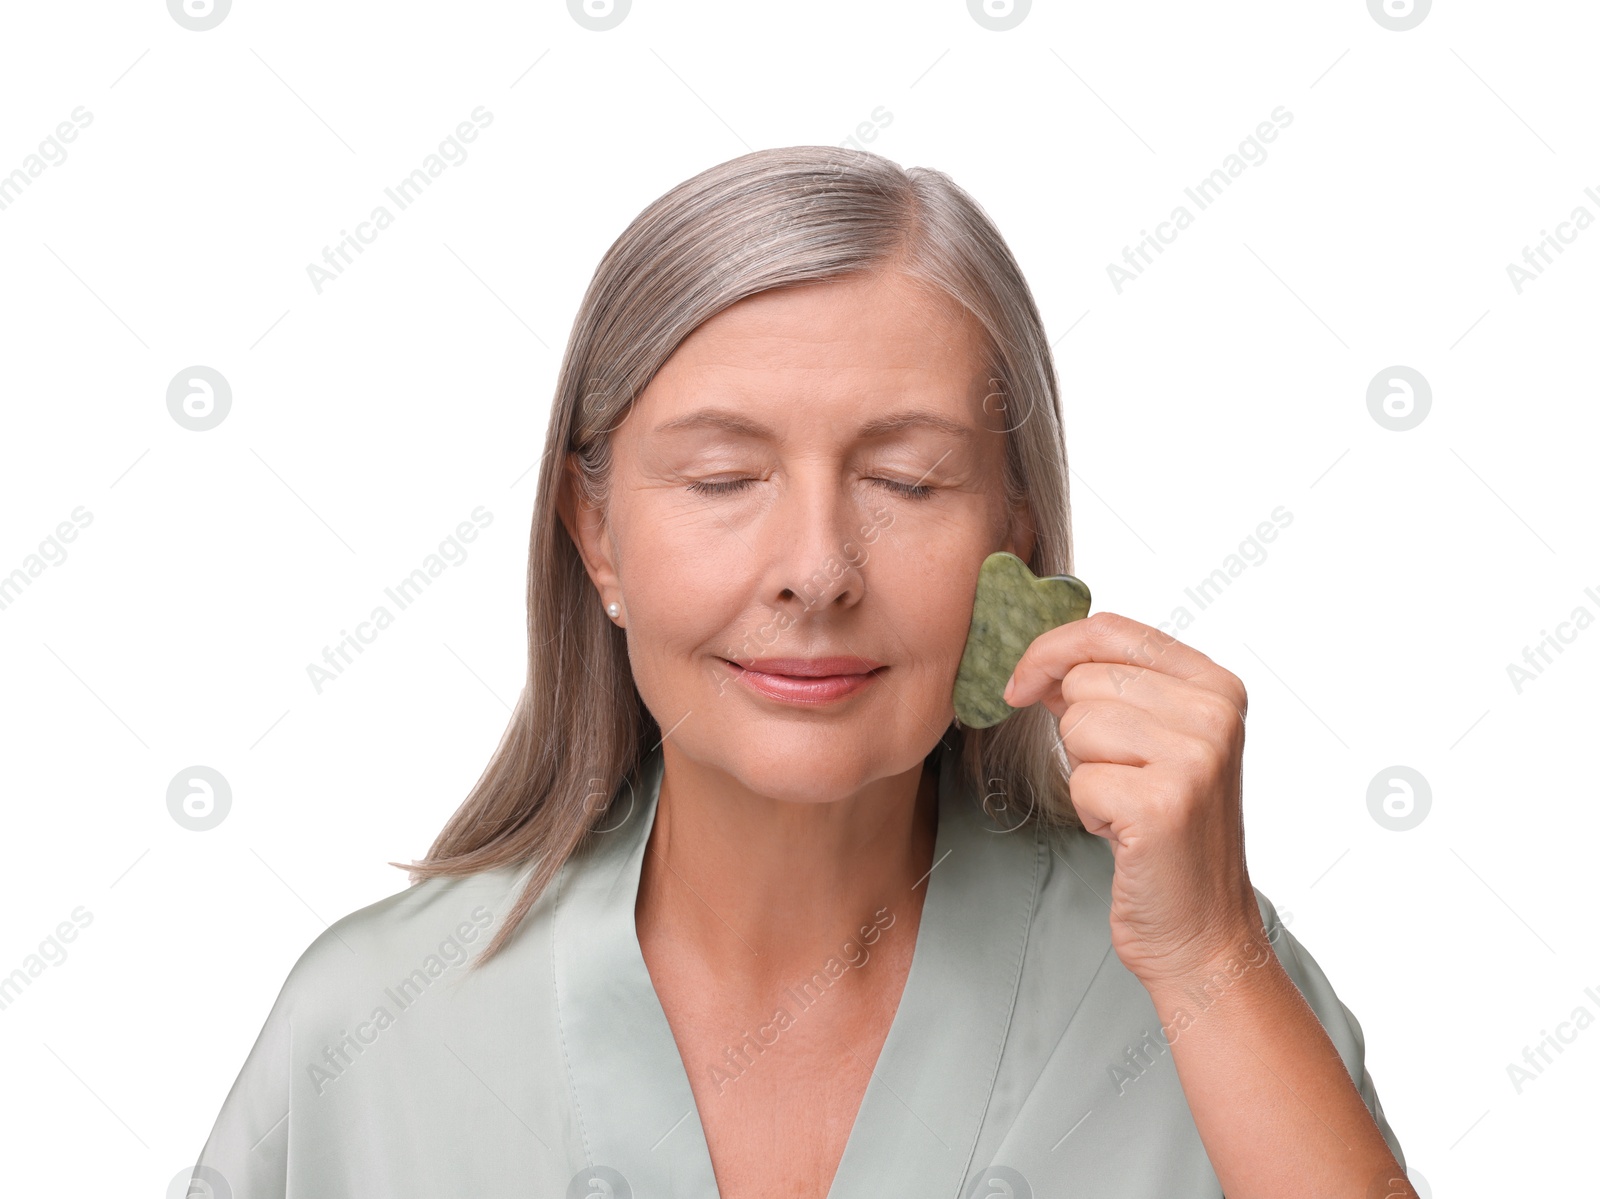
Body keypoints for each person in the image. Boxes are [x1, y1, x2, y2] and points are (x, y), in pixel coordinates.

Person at [188, 145, 1411, 1199]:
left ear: (1015, 538)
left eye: (906, 482)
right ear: (597, 532)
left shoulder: (1205, 980)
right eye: (723, 479)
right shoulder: (369, 1026)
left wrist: (1208, 959)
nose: (818, 569)